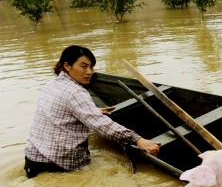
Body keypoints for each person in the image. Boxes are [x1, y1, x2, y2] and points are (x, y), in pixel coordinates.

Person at [24, 45, 161, 178]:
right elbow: (103, 126)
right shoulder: (75, 92)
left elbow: (60, 110)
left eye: (91, 66)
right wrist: (137, 139)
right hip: (58, 165)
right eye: (83, 66)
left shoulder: (53, 84)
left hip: (33, 159)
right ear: (67, 66)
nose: (89, 72)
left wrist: (91, 110)